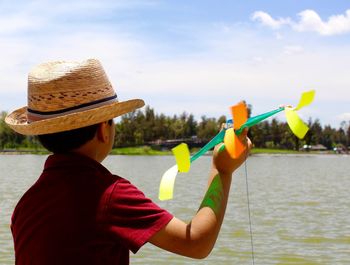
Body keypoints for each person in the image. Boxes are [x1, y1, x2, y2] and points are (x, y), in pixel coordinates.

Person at [5, 58, 251, 265]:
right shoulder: (109, 195)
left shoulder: (26, 205)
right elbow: (196, 242)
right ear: (104, 129)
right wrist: (222, 170)